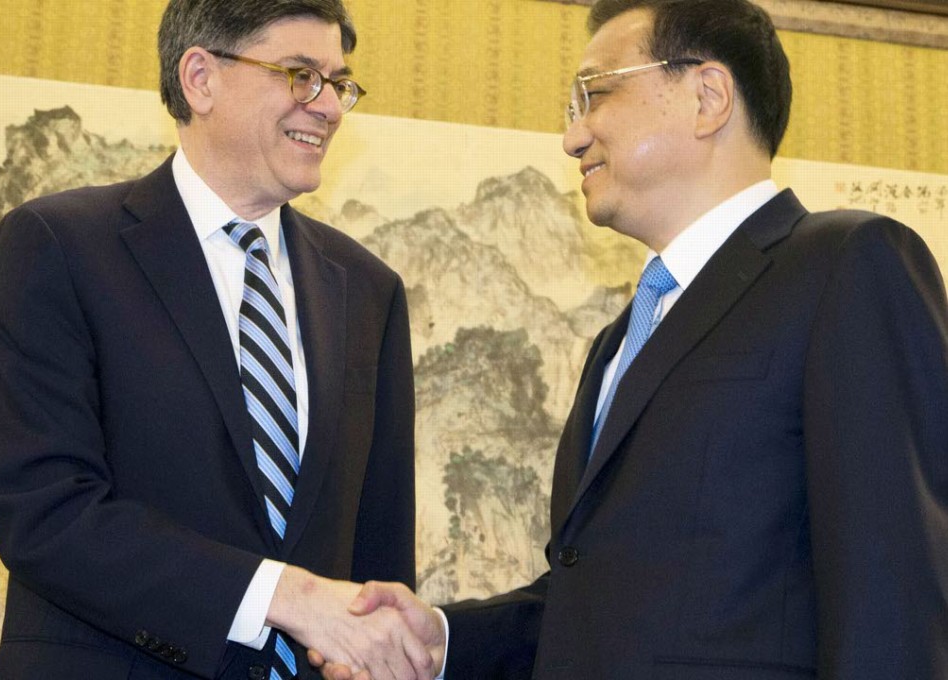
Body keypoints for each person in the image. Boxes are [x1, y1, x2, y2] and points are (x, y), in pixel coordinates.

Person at [316, 0, 948, 678]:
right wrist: (442, 640)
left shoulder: (846, 264)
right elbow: (592, 597)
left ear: (708, 97)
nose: (572, 137)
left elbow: (894, 594)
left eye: (595, 93)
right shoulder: (619, 341)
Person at [0, 1, 434, 678]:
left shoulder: (368, 289)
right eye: (301, 75)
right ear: (200, 78)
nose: (330, 107)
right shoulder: (59, 248)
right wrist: (282, 595)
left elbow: (378, 553)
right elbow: (42, 511)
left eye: (339, 83)